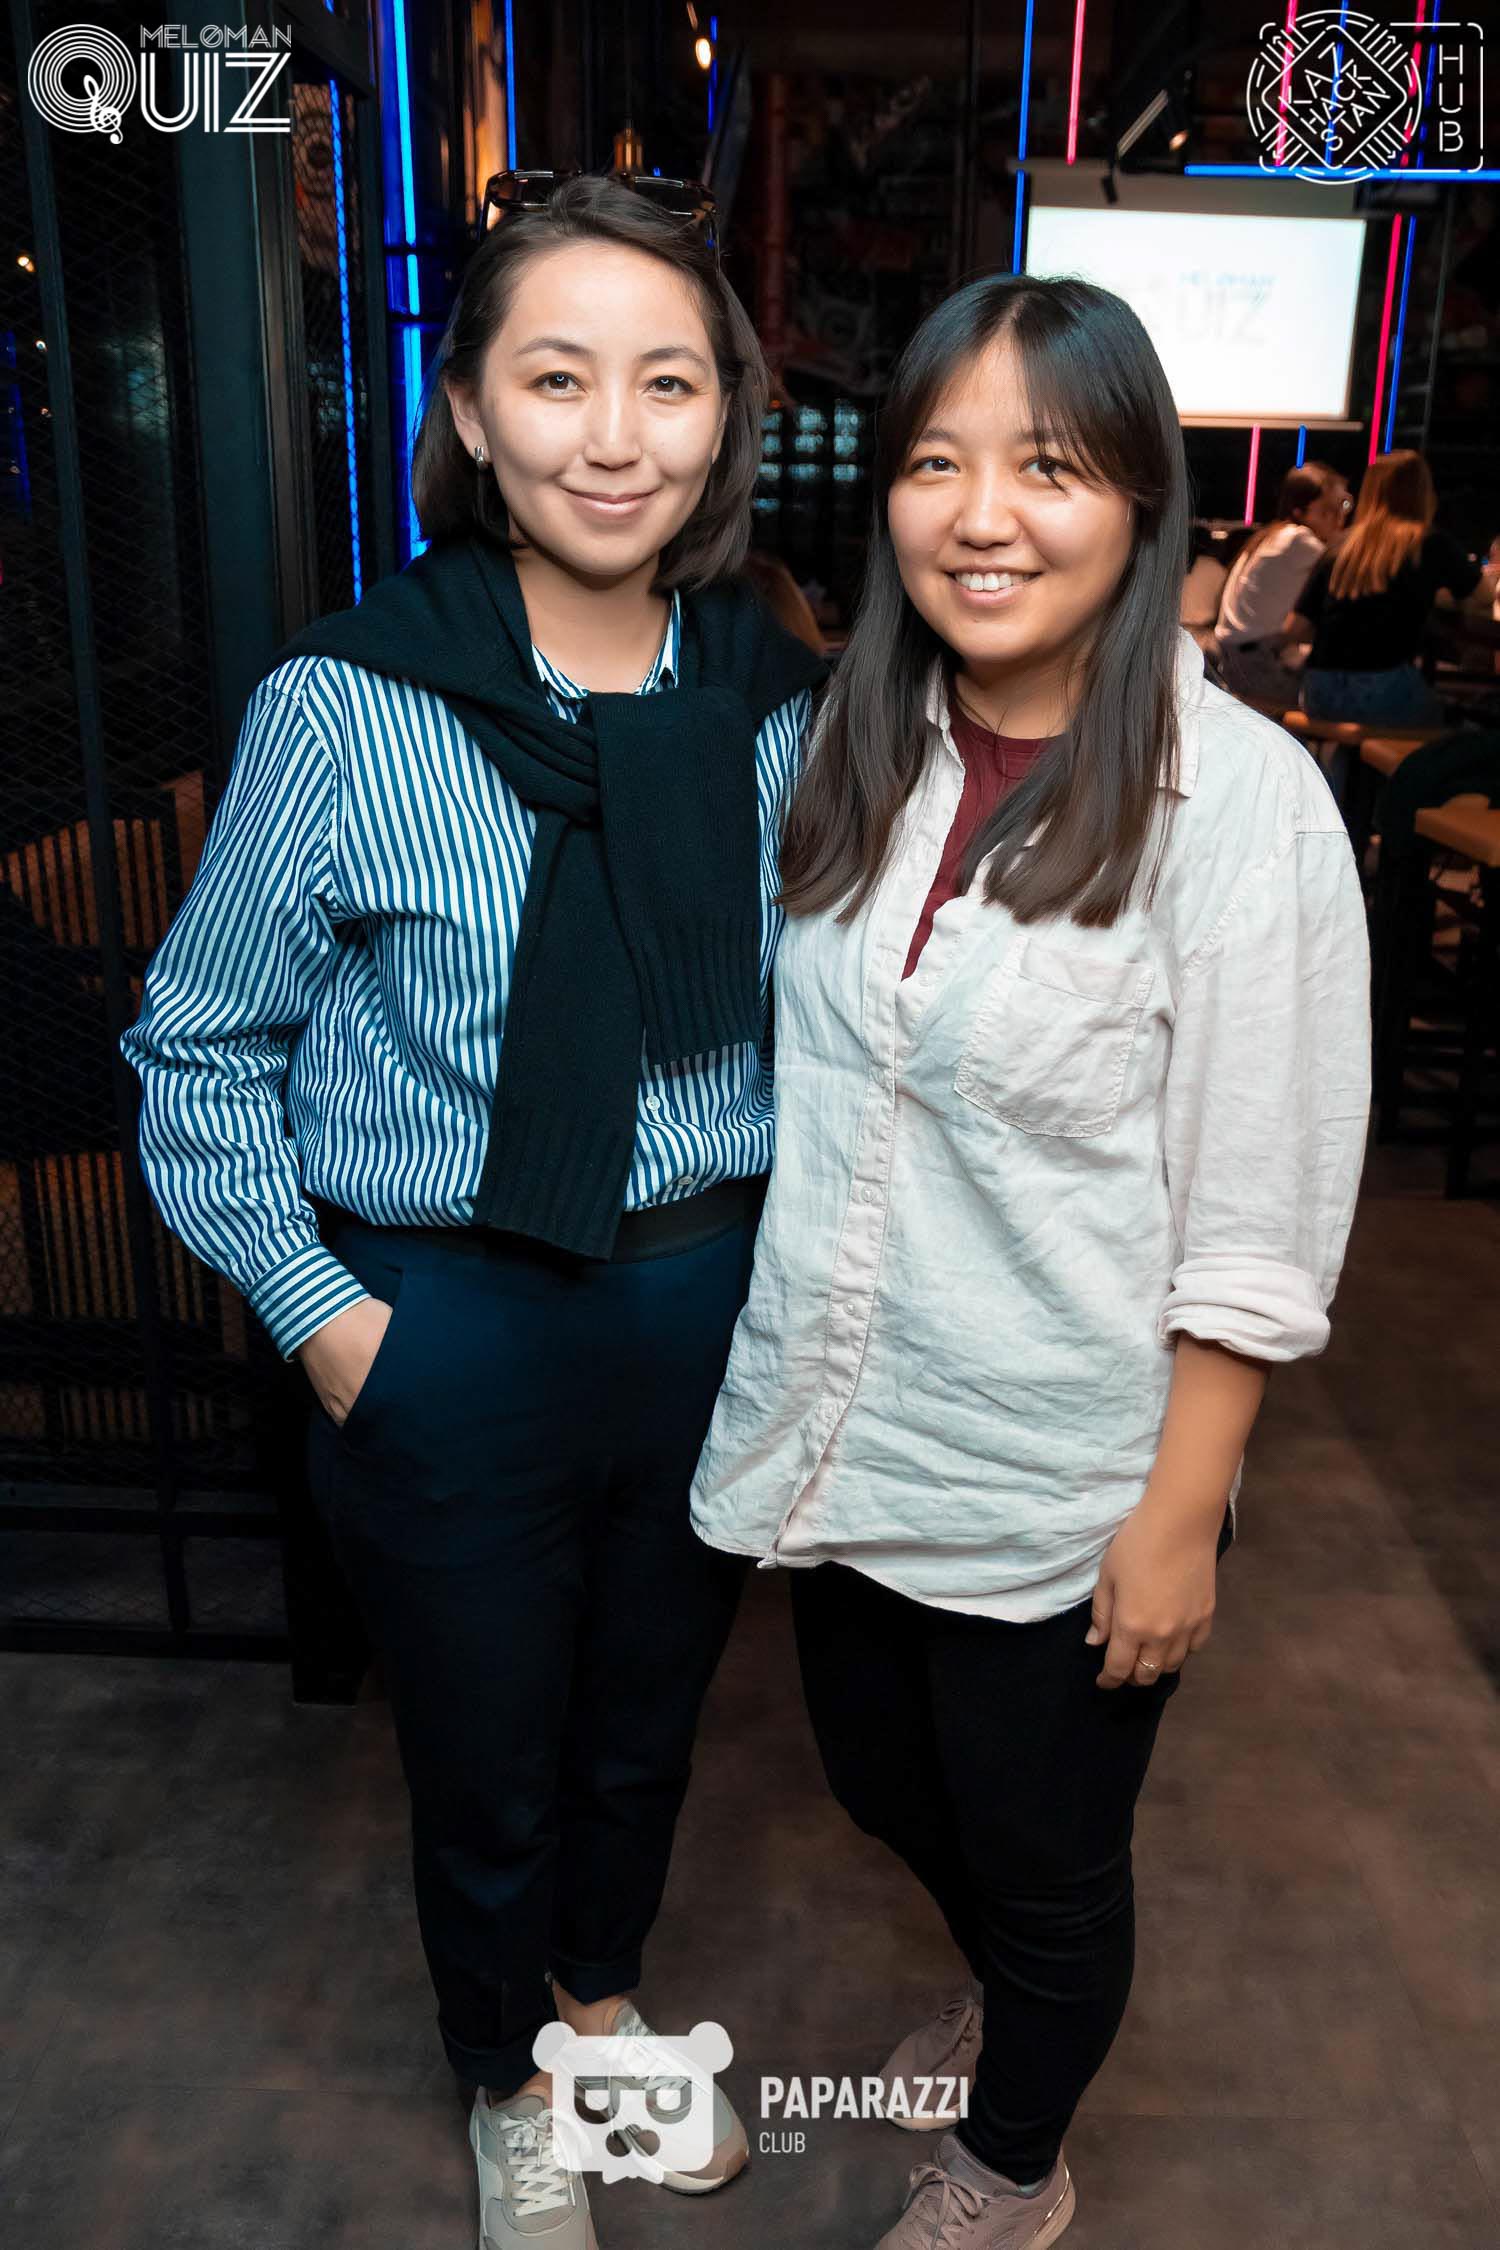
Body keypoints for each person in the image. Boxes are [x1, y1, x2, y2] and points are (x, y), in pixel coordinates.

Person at [119, 174, 825, 2250]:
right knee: (488, 1754)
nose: (614, 435)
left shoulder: (780, 699)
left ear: (727, 416)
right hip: (450, 1317)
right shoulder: (346, 704)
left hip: (702, 1300)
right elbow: (196, 1046)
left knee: (644, 1728)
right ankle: (505, 2074)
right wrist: (328, 1317)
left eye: (668, 383)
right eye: (557, 378)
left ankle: (598, 2012)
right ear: (472, 413)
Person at [689, 273, 1371, 2249]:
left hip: (1070, 1467)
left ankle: (1012, 2163)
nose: (983, 516)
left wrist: (1180, 1513)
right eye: (938, 463)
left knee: (1050, 1864)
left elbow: (1257, 1200)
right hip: (851, 1421)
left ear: (1142, 502)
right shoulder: (850, 741)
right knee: (878, 1783)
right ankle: (1018, 2001)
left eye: (1049, 468)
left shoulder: (1237, 804)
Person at [1290, 448, 1499, 726]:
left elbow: (1296, 628)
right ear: (1423, 493)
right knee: (1467, 729)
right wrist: (1437, 596)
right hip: (1383, 692)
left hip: (1318, 693)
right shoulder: (1427, 542)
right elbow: (1485, 595)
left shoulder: (1342, 546)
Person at [1210, 460, 1350, 707]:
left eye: (1342, 508)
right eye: (1327, 511)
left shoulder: (1273, 535)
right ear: (1299, 511)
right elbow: (1346, 570)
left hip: (1239, 661)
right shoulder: (1298, 540)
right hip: (1258, 667)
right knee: (1340, 695)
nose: (1338, 520)